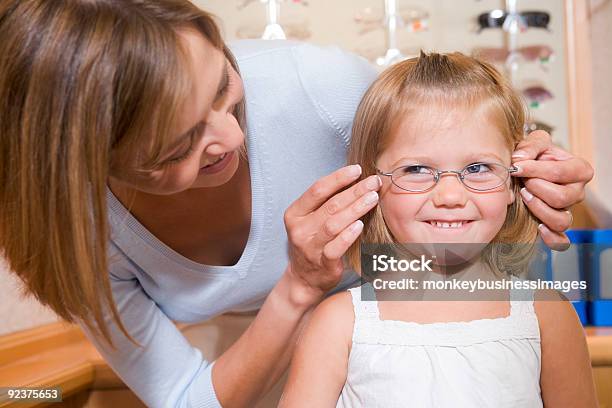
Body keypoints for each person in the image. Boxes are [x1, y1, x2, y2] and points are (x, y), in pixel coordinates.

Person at [0, 1, 593, 407]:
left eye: (225, 92)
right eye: (178, 144)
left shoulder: (321, 87)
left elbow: (453, 132)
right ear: (84, 165)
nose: (233, 138)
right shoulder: (75, 237)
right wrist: (299, 291)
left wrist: (537, 164)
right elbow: (186, 397)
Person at [280, 52, 598, 407]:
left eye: (478, 167)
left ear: (513, 183)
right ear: (371, 187)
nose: (450, 195)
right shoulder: (339, 324)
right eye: (416, 169)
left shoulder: (546, 315)